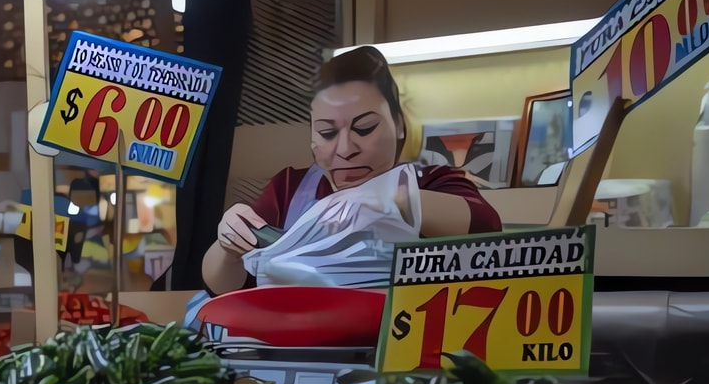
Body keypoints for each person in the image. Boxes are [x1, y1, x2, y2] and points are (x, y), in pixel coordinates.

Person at [202, 46, 502, 295]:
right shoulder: (290, 188)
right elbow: (228, 287)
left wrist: (383, 199)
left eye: (365, 128)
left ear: (398, 124)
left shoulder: (432, 181)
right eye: (327, 133)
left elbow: (487, 228)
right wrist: (227, 247)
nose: (345, 149)